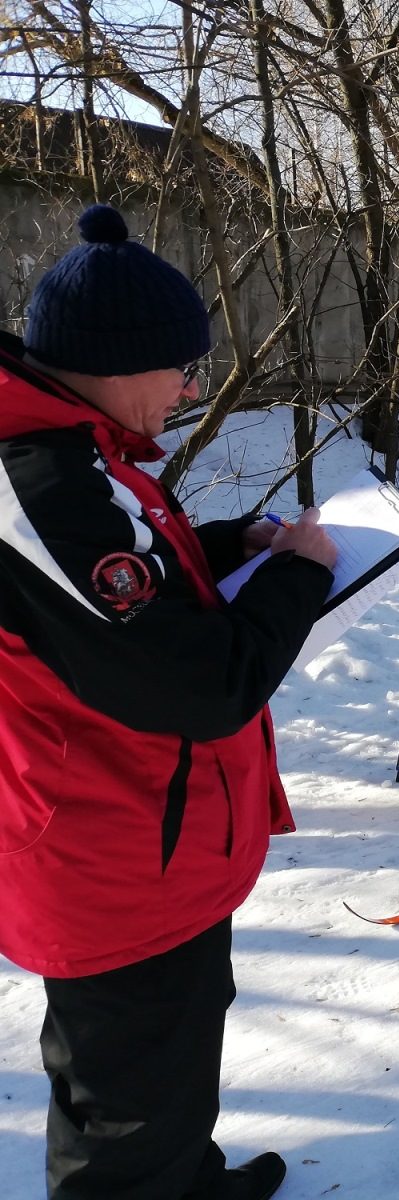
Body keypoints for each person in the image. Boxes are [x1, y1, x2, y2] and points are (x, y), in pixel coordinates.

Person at [0, 205, 337, 1199]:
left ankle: (185, 1177)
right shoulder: (45, 484)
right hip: (112, 857)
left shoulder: (83, 454)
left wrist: (234, 547)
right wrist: (302, 578)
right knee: (124, 1108)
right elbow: (202, 683)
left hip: (156, 841)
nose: (193, 386)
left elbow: (132, 599)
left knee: (170, 1060)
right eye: (183, 366)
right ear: (120, 359)